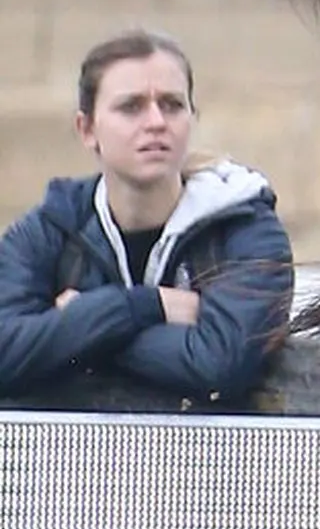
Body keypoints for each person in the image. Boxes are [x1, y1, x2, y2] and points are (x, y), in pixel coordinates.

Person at [0, 28, 292, 407]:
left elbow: (220, 363)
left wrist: (78, 323)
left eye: (172, 105)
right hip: (69, 458)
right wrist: (143, 307)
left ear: (192, 118)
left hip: (206, 459)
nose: (156, 121)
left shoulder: (247, 231)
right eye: (131, 106)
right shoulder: (48, 231)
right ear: (87, 130)